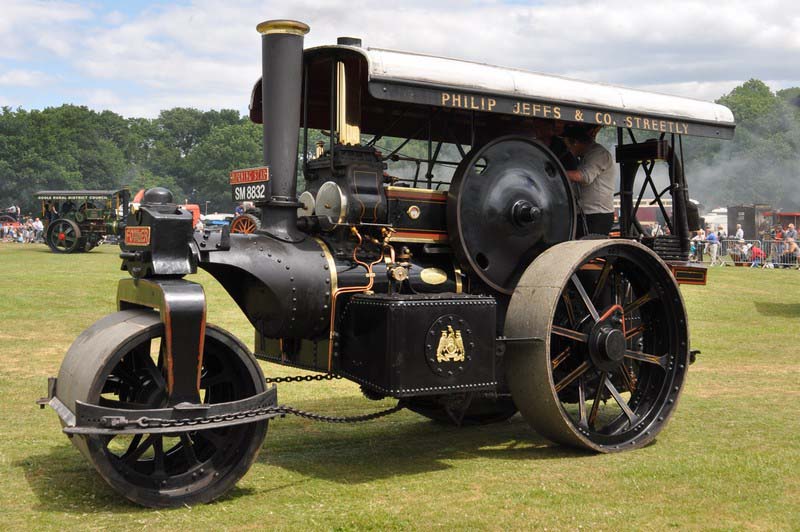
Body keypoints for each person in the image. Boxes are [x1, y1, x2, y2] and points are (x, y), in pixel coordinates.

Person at [561, 124, 616, 236]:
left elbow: (584, 177)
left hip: (597, 215)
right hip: (586, 213)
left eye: (569, 146)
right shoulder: (585, 156)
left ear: (576, 143)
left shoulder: (598, 153)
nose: (569, 150)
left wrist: (556, 171)